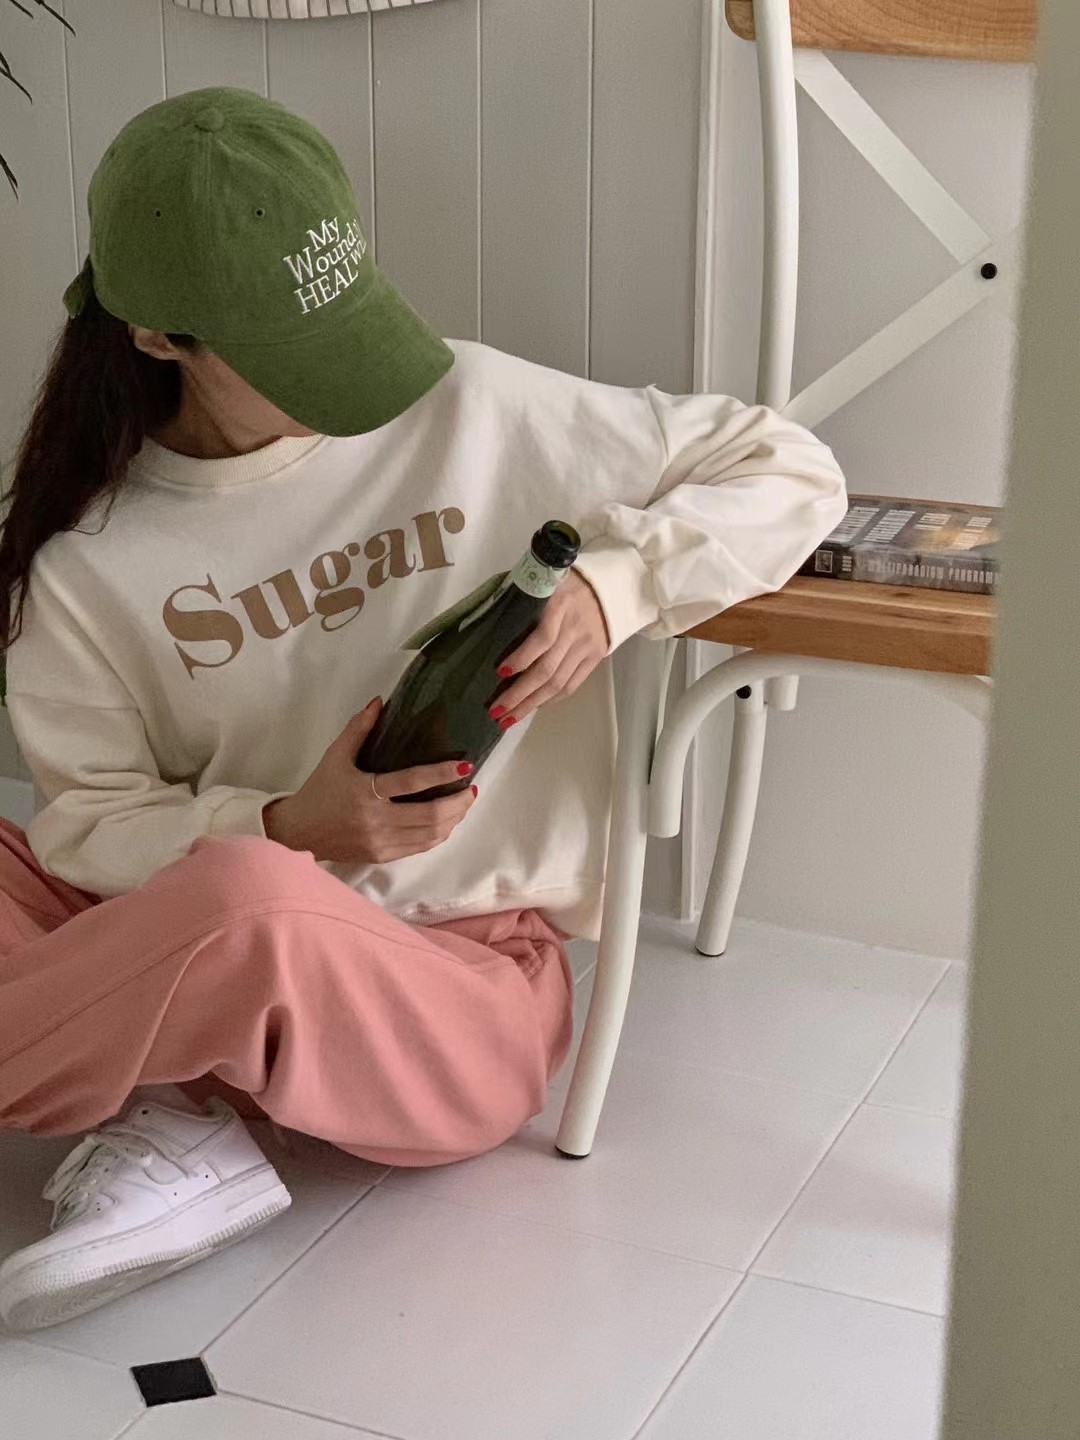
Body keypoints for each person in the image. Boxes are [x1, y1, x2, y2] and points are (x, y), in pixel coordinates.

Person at [0, 87, 845, 1332]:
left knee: (250, 904)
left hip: (456, 995)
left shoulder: (474, 406)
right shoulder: (86, 561)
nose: (350, 381)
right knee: (231, 883)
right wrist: (290, 824)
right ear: (159, 339)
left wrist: (615, 589)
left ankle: (167, 1098)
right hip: (196, 926)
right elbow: (88, 829)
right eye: (291, 354)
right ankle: (186, 1126)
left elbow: (789, 465)